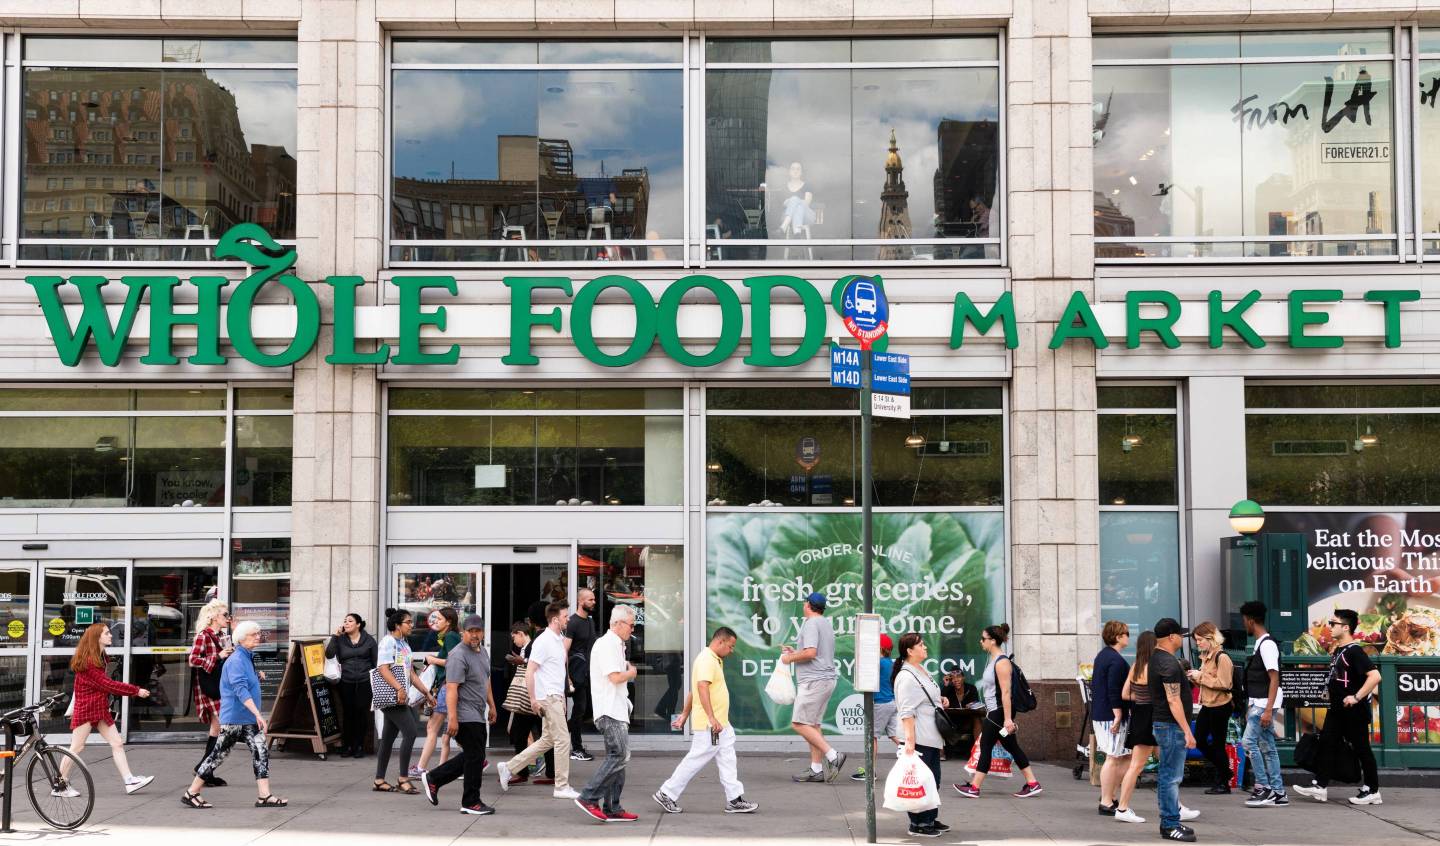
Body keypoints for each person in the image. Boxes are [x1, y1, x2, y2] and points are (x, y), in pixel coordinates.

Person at [182, 620, 288, 809]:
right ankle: (192, 792)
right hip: (234, 719)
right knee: (217, 756)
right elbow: (240, 690)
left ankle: (264, 796)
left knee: (261, 752)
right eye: (254, 634)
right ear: (242, 638)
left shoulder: (247, 656)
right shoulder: (236, 660)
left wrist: (256, 677)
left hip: (246, 719)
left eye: (258, 633)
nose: (258, 637)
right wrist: (258, 714)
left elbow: (244, 682)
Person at [653, 627, 758, 815]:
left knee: (727, 759)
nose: (732, 650)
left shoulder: (713, 659)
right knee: (696, 758)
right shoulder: (707, 660)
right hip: (712, 725)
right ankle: (666, 793)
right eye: (731, 646)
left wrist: (685, 715)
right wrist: (711, 717)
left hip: (720, 723)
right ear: (720, 642)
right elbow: (701, 687)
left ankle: (734, 799)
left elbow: (694, 690)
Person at [1293, 609, 1383, 806]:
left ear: (1346, 627)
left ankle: (1373, 790)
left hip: (1353, 712)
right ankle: (1320, 787)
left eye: (1333, 623)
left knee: (1362, 749)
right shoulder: (1338, 650)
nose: (1330, 627)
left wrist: (1356, 697)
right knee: (1327, 743)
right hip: (1337, 710)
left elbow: (1375, 676)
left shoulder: (1354, 651)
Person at [56, 623, 154, 797]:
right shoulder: (88, 662)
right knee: (76, 747)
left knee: (117, 743)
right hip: (86, 709)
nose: (111, 635)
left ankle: (129, 780)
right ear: (97, 638)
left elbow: (103, 685)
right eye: (107, 633)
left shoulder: (101, 656)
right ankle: (59, 785)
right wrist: (135, 690)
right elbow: (107, 684)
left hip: (99, 708)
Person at [496, 601, 580, 799]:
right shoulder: (543, 641)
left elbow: (559, 670)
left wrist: (564, 694)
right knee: (562, 740)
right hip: (548, 697)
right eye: (565, 616)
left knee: (548, 740)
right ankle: (561, 786)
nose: (568, 619)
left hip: (555, 696)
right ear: (554, 619)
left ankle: (508, 767)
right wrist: (534, 699)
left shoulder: (558, 639)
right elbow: (530, 671)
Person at [421, 614, 498, 816]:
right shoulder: (458, 655)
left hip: (478, 712)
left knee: (474, 756)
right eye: (470, 631)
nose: (474, 635)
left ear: (482, 632)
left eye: (477, 631)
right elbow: (452, 688)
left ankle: (434, 778)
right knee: (475, 757)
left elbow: (485, 680)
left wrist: (492, 705)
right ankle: (471, 801)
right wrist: (453, 718)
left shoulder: (483, 652)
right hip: (464, 713)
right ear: (463, 632)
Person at [953, 624, 1041, 799]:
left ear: (993, 641)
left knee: (986, 747)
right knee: (1012, 747)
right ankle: (1032, 783)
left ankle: (975, 787)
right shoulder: (994, 660)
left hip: (999, 713)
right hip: (996, 711)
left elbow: (1006, 693)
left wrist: (1008, 719)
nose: (981, 641)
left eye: (983, 638)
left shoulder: (1002, 663)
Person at [575, 605, 639, 822]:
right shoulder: (607, 644)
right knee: (619, 755)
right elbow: (614, 677)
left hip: (616, 708)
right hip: (609, 709)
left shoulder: (616, 644)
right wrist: (631, 673)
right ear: (617, 624)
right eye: (631, 625)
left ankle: (613, 806)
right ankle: (589, 797)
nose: (633, 629)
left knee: (620, 757)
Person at [782, 592, 845, 782]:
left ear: (808, 605)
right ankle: (816, 769)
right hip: (825, 679)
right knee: (813, 725)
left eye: (804, 602)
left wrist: (789, 658)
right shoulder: (824, 623)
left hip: (813, 681)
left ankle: (834, 755)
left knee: (799, 723)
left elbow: (811, 653)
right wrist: (797, 652)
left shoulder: (810, 623)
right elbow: (814, 652)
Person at [894, 633, 952, 838]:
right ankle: (918, 823)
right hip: (918, 738)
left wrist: (941, 699)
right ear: (910, 651)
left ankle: (930, 817)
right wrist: (909, 742)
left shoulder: (920, 670)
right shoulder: (906, 676)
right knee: (919, 782)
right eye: (921, 645)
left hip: (931, 736)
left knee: (932, 780)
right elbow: (906, 711)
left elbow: (926, 697)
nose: (925, 647)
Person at [373, 608, 433, 795]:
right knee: (411, 732)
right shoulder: (388, 642)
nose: (412, 625)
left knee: (388, 739)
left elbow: (411, 673)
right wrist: (399, 688)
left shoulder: (404, 644)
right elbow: (383, 669)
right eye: (408, 622)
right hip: (391, 696)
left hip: (400, 697)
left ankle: (379, 780)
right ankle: (403, 778)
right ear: (397, 625)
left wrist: (426, 692)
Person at [1150, 618, 1198, 842]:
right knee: (1171, 777)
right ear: (1171, 637)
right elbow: (1174, 700)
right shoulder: (1168, 664)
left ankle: (1170, 822)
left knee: (1168, 775)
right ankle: (1169, 824)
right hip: (1170, 726)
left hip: (1166, 725)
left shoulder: (1157, 659)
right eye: (1180, 634)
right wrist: (1187, 730)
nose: (1182, 638)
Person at [1239, 601, 1288, 808]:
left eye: (1244, 621)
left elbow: (1274, 677)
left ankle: (1264, 787)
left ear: (1250, 620)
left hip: (1263, 703)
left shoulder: (1266, 645)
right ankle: (1278, 792)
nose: (1244, 625)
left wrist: (1267, 710)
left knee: (1248, 742)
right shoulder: (1263, 643)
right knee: (1267, 746)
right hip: (1262, 702)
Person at [502, 622, 555, 786]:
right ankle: (547, 772)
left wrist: (522, 661)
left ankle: (526, 772)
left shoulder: (532, 646)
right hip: (533, 698)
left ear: (520, 633)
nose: (514, 641)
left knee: (523, 735)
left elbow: (537, 666)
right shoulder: (529, 646)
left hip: (531, 698)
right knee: (538, 735)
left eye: (514, 637)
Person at [188, 599, 234, 786]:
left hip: (220, 685)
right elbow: (192, 660)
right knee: (225, 729)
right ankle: (204, 769)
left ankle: (205, 771)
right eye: (225, 615)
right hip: (210, 688)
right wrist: (218, 656)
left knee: (217, 728)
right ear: (214, 616)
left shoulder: (222, 635)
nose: (227, 618)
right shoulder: (203, 636)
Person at [1187, 622, 1235, 795]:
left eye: (1200, 640)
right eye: (1196, 640)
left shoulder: (1222, 657)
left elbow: (1224, 683)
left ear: (1210, 638)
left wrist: (1201, 676)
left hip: (1220, 706)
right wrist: (1195, 677)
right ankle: (1225, 772)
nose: (1198, 643)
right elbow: (1207, 681)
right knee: (1199, 740)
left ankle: (1223, 780)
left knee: (1217, 744)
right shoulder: (1207, 656)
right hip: (1208, 705)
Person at [1114, 631, 1156, 824]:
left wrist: (1140, 698)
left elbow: (1125, 694)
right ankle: (1122, 808)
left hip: (1139, 716)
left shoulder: (1135, 667)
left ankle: (1176, 806)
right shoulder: (1153, 667)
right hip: (1151, 718)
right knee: (1136, 766)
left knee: (1165, 766)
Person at [1091, 620, 1131, 816]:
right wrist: (1118, 714)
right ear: (1118, 637)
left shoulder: (1103, 656)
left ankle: (1109, 795)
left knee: (1122, 756)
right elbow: (1114, 689)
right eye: (1126, 633)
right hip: (1111, 715)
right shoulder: (1115, 660)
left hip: (1103, 713)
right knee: (1114, 757)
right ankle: (1106, 799)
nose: (1128, 637)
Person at [416, 607, 461, 776]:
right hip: (449, 685)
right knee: (448, 731)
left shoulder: (450, 637)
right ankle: (474, 760)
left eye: (439, 619)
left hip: (447, 686)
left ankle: (420, 767)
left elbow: (452, 661)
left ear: (448, 621)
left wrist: (432, 659)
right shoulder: (451, 636)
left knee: (432, 727)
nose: (435, 621)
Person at [326, 612, 378, 758]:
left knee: (362, 713)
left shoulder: (369, 640)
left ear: (358, 625)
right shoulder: (341, 640)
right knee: (348, 713)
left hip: (365, 681)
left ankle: (359, 745)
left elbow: (376, 662)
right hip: (346, 681)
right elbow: (329, 654)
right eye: (345, 621)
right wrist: (335, 636)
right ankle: (347, 746)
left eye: (350, 621)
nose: (346, 623)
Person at [853, 633, 901, 781]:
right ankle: (918, 757)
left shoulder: (878, 663)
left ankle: (870, 771)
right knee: (895, 736)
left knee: (871, 736)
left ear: (879, 647)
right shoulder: (890, 663)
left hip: (881, 703)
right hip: (892, 703)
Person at [565, 588, 599, 762]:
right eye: (590, 599)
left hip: (586, 673)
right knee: (579, 710)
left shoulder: (590, 622)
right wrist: (567, 676)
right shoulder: (573, 622)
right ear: (581, 601)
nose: (594, 602)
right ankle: (575, 747)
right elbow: (564, 651)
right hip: (574, 673)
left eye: (594, 599)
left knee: (582, 710)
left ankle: (565, 738)